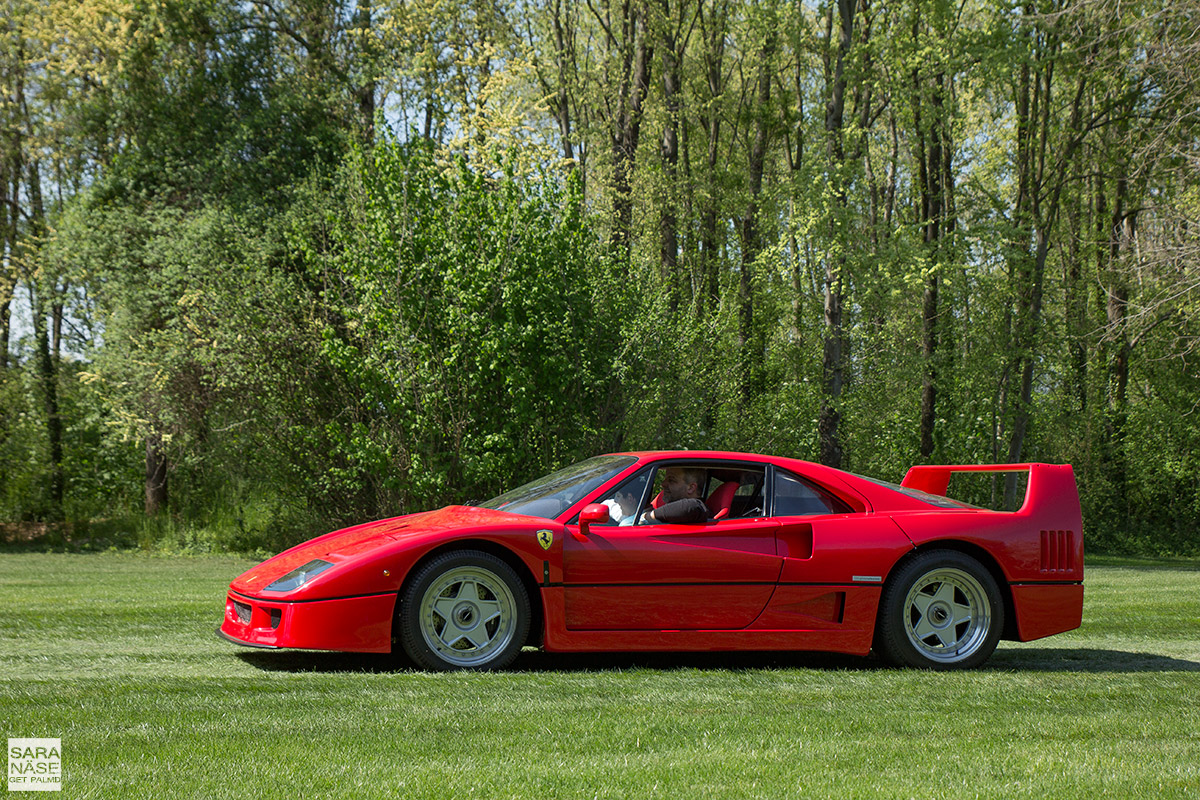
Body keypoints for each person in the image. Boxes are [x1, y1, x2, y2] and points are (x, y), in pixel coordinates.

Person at [643, 467, 710, 524]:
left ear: (691, 488)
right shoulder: (673, 513)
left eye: (671, 480)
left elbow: (691, 506)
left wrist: (647, 516)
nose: (663, 484)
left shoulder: (698, 510)